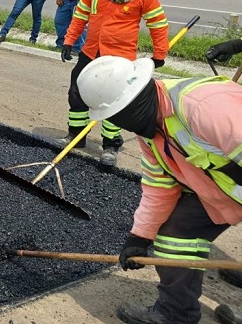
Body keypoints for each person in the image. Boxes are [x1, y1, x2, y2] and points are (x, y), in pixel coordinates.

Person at [77, 55, 242, 324]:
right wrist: (140, 237)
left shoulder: (204, 109)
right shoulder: (151, 130)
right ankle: (176, 314)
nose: (122, 125)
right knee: (176, 233)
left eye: (121, 114)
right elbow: (158, 187)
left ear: (140, 95)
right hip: (226, 189)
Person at [60, 0, 169, 167]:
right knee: (77, 91)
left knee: (112, 100)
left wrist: (159, 54)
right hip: (91, 51)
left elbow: (158, 23)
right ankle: (76, 135)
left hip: (120, 57)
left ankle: (110, 145)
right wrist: (69, 40)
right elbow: (80, 14)